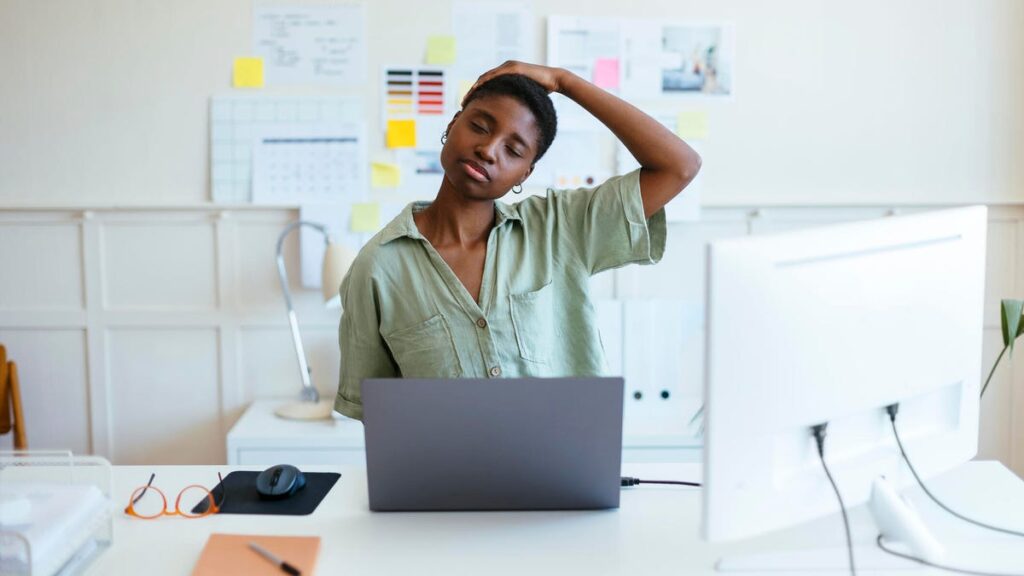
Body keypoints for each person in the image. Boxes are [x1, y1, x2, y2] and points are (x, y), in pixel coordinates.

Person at [334, 61, 701, 420]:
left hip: (567, 473)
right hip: (449, 479)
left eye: (513, 150)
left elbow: (679, 166)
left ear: (525, 172)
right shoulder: (376, 268)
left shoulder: (561, 228)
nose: (488, 150)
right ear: (452, 125)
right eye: (479, 127)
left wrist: (564, 80)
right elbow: (382, 413)